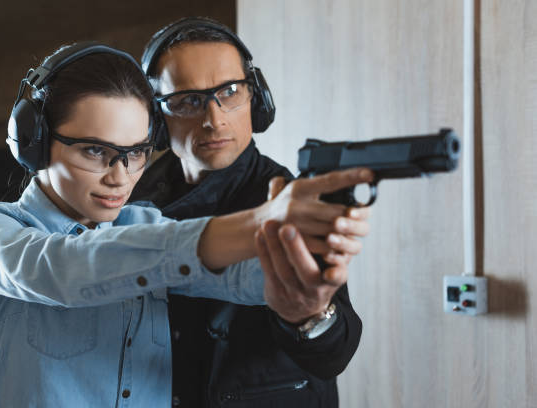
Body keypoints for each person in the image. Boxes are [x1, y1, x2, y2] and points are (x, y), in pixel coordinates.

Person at [0, 43, 372, 407]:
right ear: (34, 142)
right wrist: (259, 222)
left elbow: (240, 278)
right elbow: (65, 268)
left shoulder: (145, 223)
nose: (120, 176)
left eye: (135, 153)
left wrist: (309, 258)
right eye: (96, 151)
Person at [130, 18, 371, 407]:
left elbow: (334, 353)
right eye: (188, 100)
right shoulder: (127, 200)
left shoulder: (291, 198)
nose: (214, 118)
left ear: (256, 98)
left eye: (229, 91)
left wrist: (310, 316)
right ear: (156, 116)